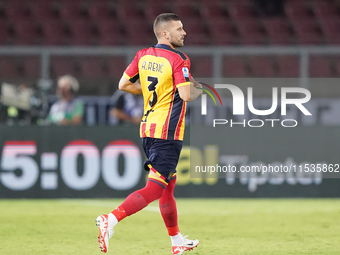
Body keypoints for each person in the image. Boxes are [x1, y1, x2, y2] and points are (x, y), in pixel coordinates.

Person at [95, 13, 203, 255]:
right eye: (179, 28)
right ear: (165, 33)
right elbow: (186, 95)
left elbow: (123, 84)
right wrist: (198, 90)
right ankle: (110, 219)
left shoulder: (143, 55)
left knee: (168, 186)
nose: (183, 32)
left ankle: (176, 241)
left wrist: (156, 92)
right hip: (168, 132)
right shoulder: (179, 58)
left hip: (147, 128)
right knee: (155, 188)